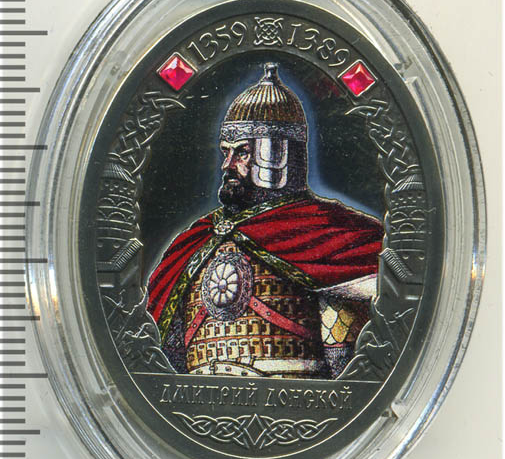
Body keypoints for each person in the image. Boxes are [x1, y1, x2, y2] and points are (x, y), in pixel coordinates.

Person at [147, 63, 382, 379]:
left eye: (242, 152)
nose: (227, 164)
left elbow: (345, 368)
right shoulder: (196, 242)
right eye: (225, 153)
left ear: (278, 154)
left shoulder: (332, 236)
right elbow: (167, 357)